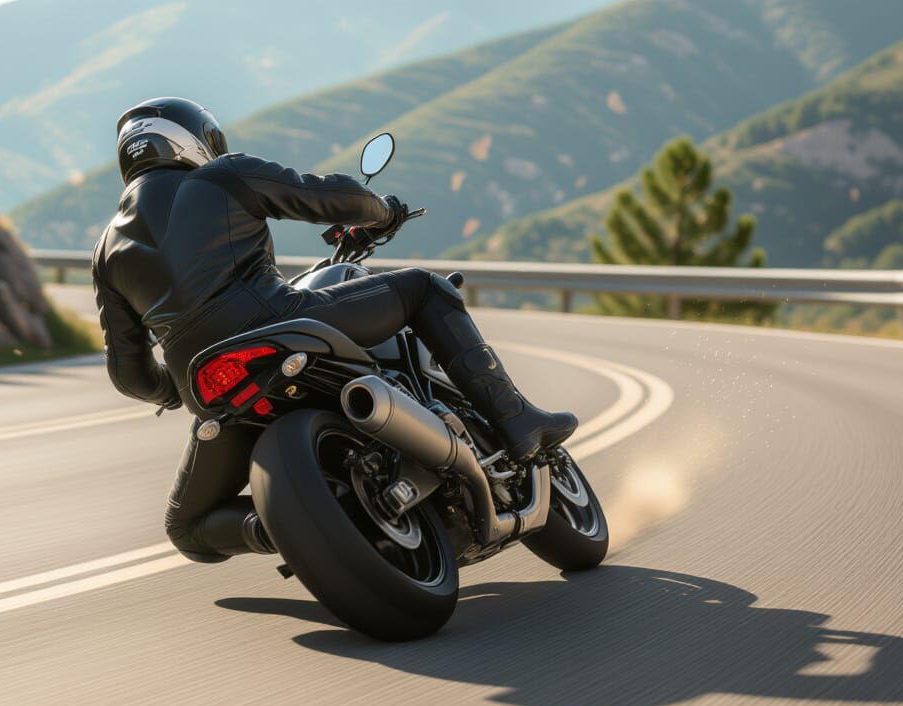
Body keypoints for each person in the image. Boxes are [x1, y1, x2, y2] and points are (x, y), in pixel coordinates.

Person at [93, 97, 577, 563]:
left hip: (211, 385)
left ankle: (286, 525)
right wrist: (383, 211)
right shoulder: (223, 176)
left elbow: (129, 374)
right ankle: (517, 422)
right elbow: (328, 197)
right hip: (281, 323)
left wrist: (174, 391)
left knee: (186, 528)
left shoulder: (106, 250)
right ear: (192, 143)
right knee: (425, 290)